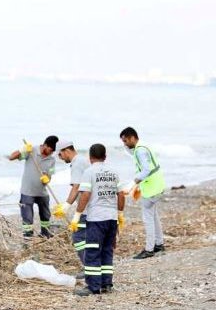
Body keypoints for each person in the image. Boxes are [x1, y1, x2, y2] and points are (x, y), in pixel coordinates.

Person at [70, 144, 126, 296]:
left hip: (96, 219)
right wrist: (120, 214)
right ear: (105, 156)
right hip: (111, 218)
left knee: (93, 252)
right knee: (107, 251)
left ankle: (93, 287)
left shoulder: (89, 172)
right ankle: (107, 284)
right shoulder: (114, 173)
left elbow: (85, 195)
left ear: (90, 157)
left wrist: (76, 215)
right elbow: (121, 195)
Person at [120, 127, 166, 259]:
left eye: (125, 141)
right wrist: (138, 186)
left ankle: (149, 249)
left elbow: (146, 170)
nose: (125, 144)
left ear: (132, 138)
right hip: (157, 185)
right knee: (154, 216)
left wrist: (132, 185)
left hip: (151, 188)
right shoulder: (144, 146)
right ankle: (159, 244)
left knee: (148, 219)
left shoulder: (139, 151)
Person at [8, 136, 58, 237]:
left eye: (53, 151)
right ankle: (28, 239)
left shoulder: (52, 160)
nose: (51, 153)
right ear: (45, 145)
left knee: (46, 216)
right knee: (28, 218)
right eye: (50, 150)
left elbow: (50, 176)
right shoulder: (32, 151)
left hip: (42, 192)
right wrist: (23, 149)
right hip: (28, 192)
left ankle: (45, 234)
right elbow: (11, 157)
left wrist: (47, 179)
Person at [54, 140, 91, 274]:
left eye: (60, 155)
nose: (60, 158)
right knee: (88, 237)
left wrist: (66, 205)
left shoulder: (77, 163)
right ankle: (92, 266)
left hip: (87, 207)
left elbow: (76, 187)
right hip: (90, 206)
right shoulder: (82, 160)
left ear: (66, 151)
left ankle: (89, 268)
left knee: (78, 237)